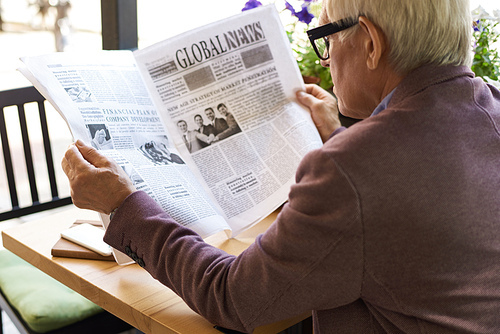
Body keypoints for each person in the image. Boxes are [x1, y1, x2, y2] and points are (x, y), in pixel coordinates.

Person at [61, 0, 500, 332]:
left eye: (326, 39)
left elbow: (231, 296)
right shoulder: (492, 105)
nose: (325, 58)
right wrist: (345, 136)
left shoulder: (351, 170)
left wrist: (124, 205)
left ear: (369, 42)